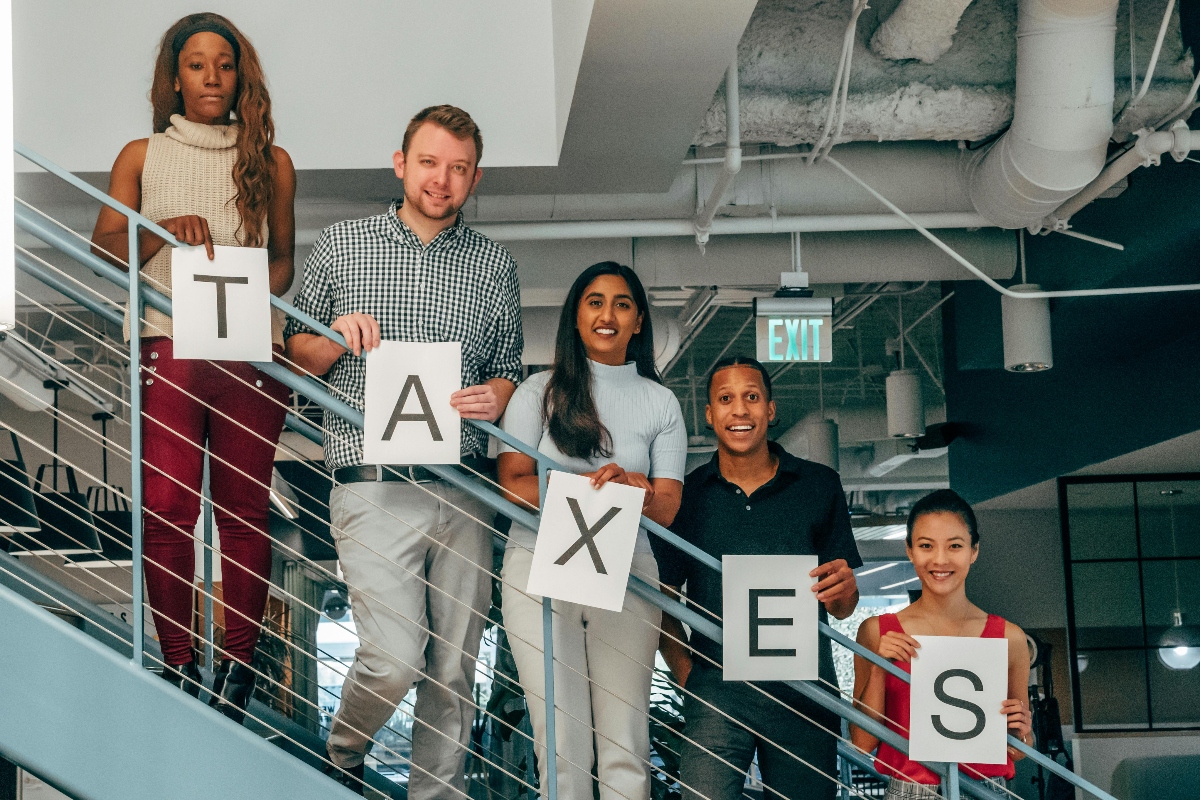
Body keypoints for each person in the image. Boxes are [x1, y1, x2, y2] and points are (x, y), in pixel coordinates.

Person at [285, 105, 522, 796]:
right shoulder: (341, 245)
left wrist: (500, 393)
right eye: (429, 162)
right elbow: (296, 357)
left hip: (464, 483)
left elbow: (508, 363)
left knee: (453, 669)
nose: (441, 180)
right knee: (393, 657)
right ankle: (344, 753)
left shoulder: (495, 264)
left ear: (474, 177)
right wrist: (331, 336)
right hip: (373, 481)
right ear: (400, 162)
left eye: (457, 169)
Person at [91, 12, 296, 721]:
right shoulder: (141, 155)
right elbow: (105, 248)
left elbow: (283, 264)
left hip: (247, 352)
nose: (213, 77)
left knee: (242, 512)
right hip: (168, 343)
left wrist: (243, 289)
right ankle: (179, 664)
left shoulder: (272, 161)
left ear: (242, 76)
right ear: (175, 77)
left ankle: (236, 671)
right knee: (170, 507)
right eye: (198, 64)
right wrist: (158, 235)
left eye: (225, 64)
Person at [497, 261, 687, 800]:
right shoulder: (538, 391)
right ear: (576, 317)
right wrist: (585, 485)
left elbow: (669, 508)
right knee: (560, 745)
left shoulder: (660, 401)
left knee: (625, 742)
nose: (608, 314)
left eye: (622, 303)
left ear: (639, 320)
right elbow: (512, 485)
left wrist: (635, 486)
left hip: (628, 572)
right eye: (595, 302)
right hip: (539, 572)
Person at [655, 356, 861, 800]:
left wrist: (846, 591)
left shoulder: (819, 485)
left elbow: (842, 605)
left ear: (770, 409)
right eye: (726, 399)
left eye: (751, 397)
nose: (740, 410)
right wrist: (689, 676)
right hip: (716, 689)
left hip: (804, 690)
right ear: (709, 415)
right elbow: (661, 599)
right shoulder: (686, 499)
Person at [850, 490, 1033, 798]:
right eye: (925, 546)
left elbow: (1017, 750)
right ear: (909, 550)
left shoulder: (1009, 637)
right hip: (910, 791)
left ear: (974, 551)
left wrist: (1023, 733)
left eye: (955, 546)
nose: (940, 560)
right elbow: (862, 743)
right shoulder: (877, 632)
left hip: (987, 791)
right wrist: (880, 669)